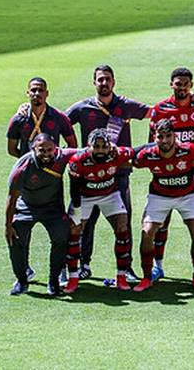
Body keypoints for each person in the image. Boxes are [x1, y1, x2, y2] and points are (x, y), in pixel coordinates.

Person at [65, 65, 150, 281]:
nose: (104, 83)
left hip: (119, 172)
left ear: (114, 82)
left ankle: (126, 268)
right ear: (94, 82)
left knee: (123, 221)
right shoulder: (83, 107)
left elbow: (155, 113)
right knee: (86, 221)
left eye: (107, 79)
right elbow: (60, 122)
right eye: (100, 80)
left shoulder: (125, 105)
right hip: (89, 173)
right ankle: (84, 265)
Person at [130, 119, 194, 292]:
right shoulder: (147, 154)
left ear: (175, 136)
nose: (165, 141)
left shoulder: (188, 149)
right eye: (161, 137)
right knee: (147, 233)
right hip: (159, 196)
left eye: (168, 136)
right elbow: (127, 160)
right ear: (155, 137)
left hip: (187, 196)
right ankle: (146, 277)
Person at [146, 67, 194, 282]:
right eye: (178, 83)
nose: (182, 87)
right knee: (161, 222)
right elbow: (152, 142)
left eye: (185, 83)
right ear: (171, 84)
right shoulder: (161, 109)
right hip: (165, 173)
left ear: (191, 85)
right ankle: (158, 266)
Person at [65, 129, 135, 291]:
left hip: (110, 195)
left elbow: (138, 150)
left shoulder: (116, 153)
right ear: (89, 146)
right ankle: (73, 278)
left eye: (104, 146)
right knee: (74, 231)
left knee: (123, 227)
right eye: (96, 146)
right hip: (84, 197)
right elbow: (74, 189)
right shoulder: (78, 160)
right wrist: (76, 212)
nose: (101, 150)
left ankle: (122, 276)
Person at [5, 133, 71, 296]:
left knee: (61, 237)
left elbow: (86, 151)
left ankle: (54, 281)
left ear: (55, 148)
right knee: (15, 238)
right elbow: (11, 198)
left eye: (50, 149)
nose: (47, 154)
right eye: (42, 150)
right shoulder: (23, 167)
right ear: (33, 149)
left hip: (53, 208)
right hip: (26, 206)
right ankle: (21, 280)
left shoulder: (61, 157)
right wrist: (8, 226)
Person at [7, 77, 77, 158]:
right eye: (33, 90)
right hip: (28, 169)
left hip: (52, 168)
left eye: (40, 90)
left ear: (47, 93)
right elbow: (11, 149)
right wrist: (28, 160)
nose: (37, 93)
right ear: (28, 93)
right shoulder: (18, 119)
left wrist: (58, 159)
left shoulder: (59, 117)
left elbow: (72, 145)